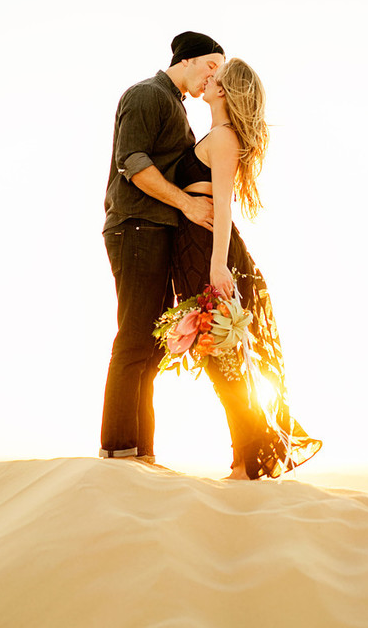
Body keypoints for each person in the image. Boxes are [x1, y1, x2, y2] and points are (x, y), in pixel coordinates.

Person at [171, 58, 322, 479]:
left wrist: (217, 264)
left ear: (222, 91)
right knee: (223, 358)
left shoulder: (223, 139)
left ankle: (248, 463)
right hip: (196, 248)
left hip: (207, 251)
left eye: (215, 77)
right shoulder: (216, 135)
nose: (208, 78)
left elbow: (223, 205)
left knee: (224, 359)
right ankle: (244, 459)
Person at [100, 31, 226, 463]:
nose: (213, 76)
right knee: (134, 338)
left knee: (151, 347)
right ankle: (118, 452)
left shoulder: (174, 105)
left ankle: (142, 454)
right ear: (186, 60)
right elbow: (132, 163)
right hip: (135, 227)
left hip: (155, 230)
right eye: (210, 65)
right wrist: (188, 204)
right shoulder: (147, 94)